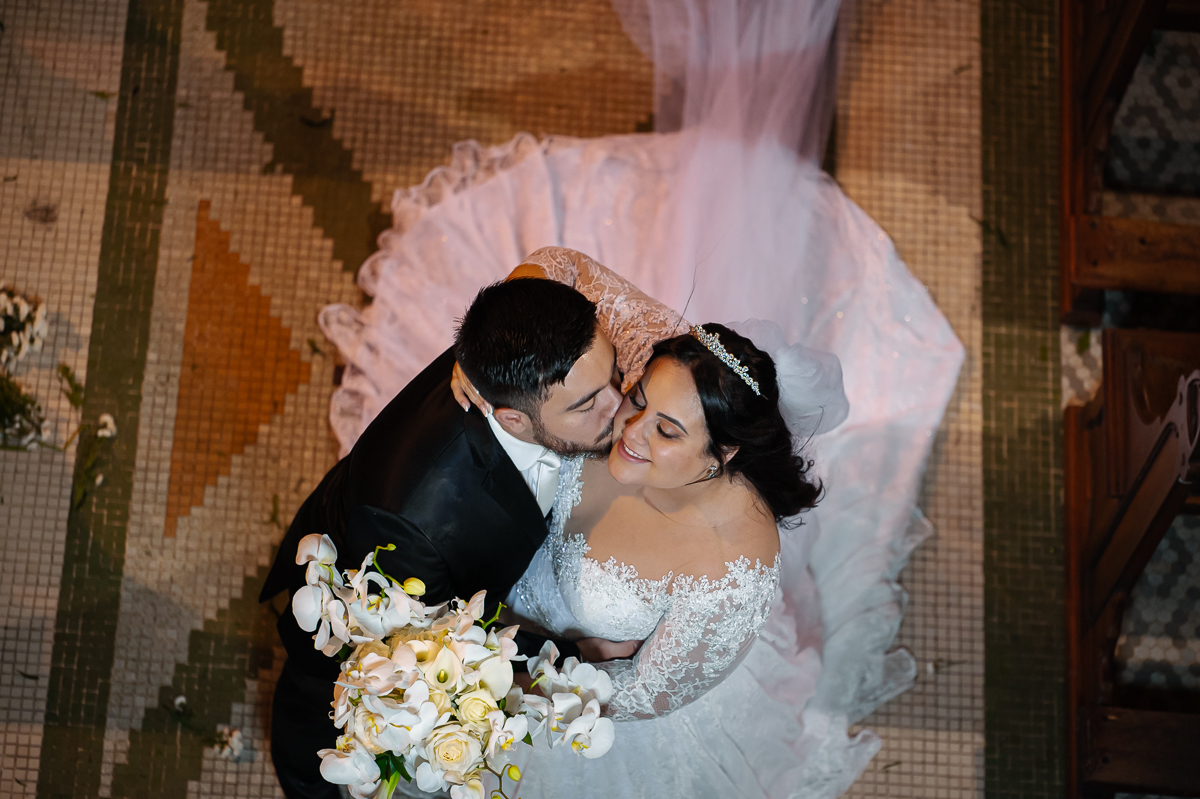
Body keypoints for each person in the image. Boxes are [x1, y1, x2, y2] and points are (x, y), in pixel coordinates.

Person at [316, 0, 966, 794]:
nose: (627, 433)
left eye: (667, 430)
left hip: (583, 729)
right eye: (636, 400)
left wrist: (526, 680)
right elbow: (554, 264)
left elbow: (643, 698)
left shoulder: (735, 561)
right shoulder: (607, 406)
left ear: (722, 454)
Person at [260, 276, 645, 799]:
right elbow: (442, 639)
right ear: (510, 417)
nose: (619, 407)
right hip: (361, 603)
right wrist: (573, 650)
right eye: (587, 405)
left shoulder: (512, 346)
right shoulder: (414, 522)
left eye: (613, 376)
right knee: (320, 704)